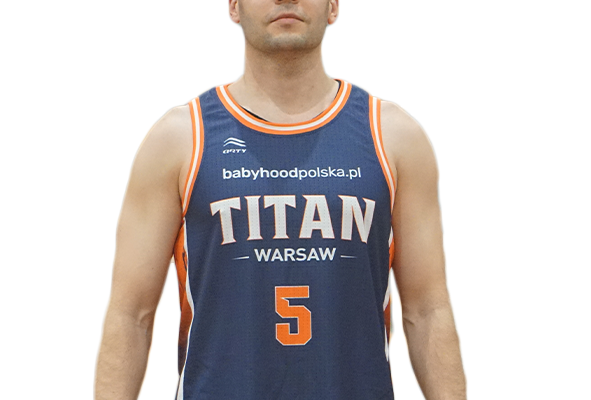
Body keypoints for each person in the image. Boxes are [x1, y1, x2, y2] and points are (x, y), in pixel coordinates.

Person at [93, 1, 467, 399]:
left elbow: (428, 310)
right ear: (234, 7)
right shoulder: (179, 138)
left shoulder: (394, 137)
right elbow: (131, 313)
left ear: (333, 7)